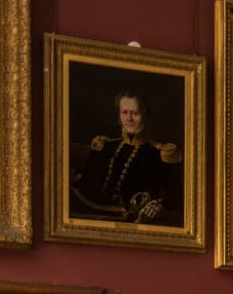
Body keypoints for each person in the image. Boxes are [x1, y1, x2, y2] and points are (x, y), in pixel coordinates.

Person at [72, 91, 180, 224]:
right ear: (119, 117)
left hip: (133, 221)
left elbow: (174, 201)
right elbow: (84, 183)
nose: (129, 119)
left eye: (135, 113)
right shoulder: (104, 146)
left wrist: (158, 208)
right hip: (94, 214)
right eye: (124, 113)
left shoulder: (161, 154)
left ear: (145, 116)